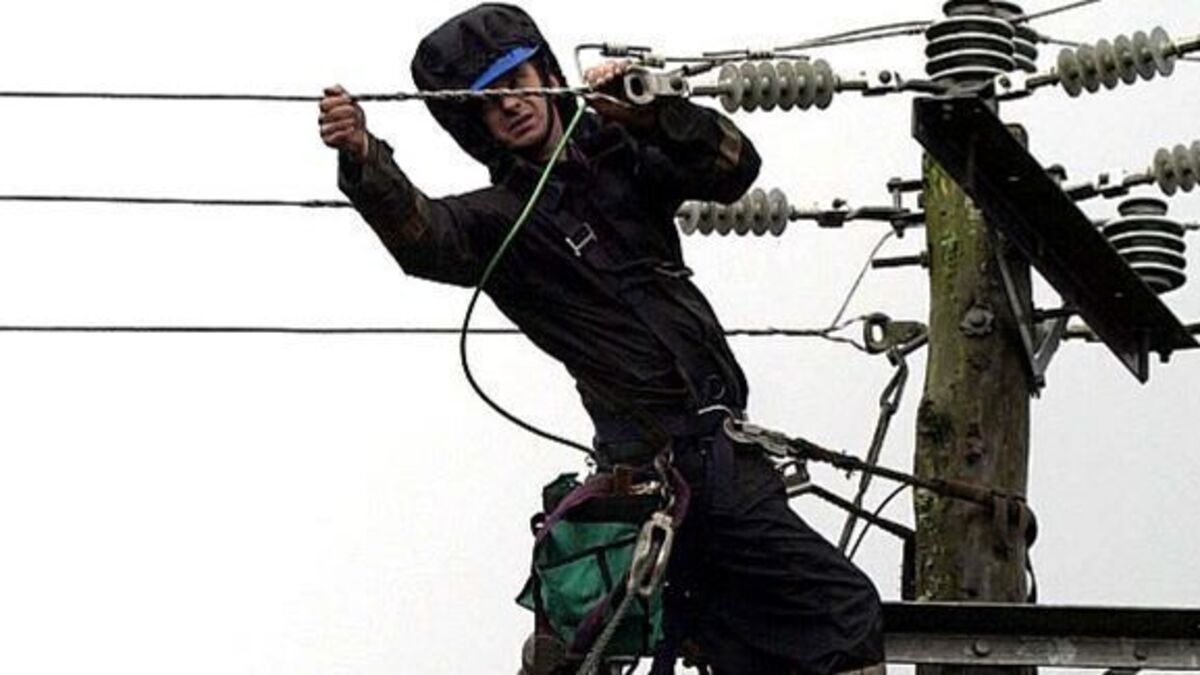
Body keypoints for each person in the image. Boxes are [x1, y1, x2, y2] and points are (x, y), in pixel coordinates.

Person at [318, 4, 884, 673]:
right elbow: (423, 237)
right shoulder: (500, 223)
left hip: (722, 456)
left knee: (753, 642)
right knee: (841, 612)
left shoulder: (625, 159)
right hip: (650, 475)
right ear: (473, 124)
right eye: (489, 103)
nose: (511, 105)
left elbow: (734, 167)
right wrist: (365, 158)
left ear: (545, 73)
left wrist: (653, 111)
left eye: (516, 82)